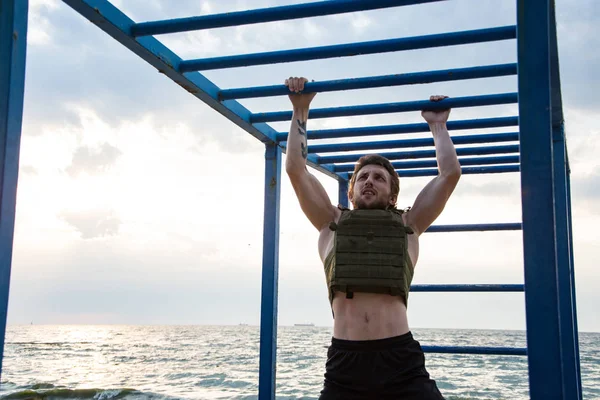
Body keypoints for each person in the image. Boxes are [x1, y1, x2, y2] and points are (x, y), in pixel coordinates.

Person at [284, 76, 461, 400]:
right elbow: (296, 169)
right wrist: (300, 109)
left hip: (400, 362)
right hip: (345, 365)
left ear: (392, 193)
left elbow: (449, 175)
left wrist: (438, 125)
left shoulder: (409, 224)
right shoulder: (330, 222)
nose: (369, 181)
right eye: (362, 177)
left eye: (379, 178)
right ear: (351, 190)